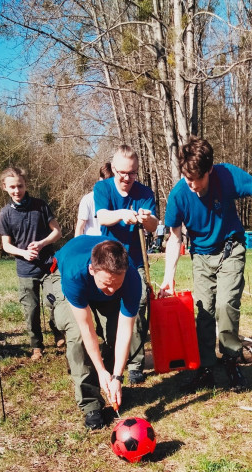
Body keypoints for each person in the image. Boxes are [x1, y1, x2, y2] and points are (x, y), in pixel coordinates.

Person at [160, 137, 252, 392]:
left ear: (210, 170)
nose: (192, 184)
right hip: (201, 256)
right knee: (205, 313)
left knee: (225, 305)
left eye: (197, 179)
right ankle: (206, 368)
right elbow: (175, 238)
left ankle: (232, 361)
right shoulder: (179, 195)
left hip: (230, 249)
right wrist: (168, 277)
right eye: (187, 178)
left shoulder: (226, 175)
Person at [54, 236, 142, 429]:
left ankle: (111, 387)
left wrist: (117, 376)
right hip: (71, 281)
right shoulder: (74, 274)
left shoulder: (132, 279)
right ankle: (91, 404)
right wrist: (100, 371)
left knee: (113, 333)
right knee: (77, 336)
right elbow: (86, 328)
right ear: (92, 270)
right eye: (106, 283)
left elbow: (125, 330)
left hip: (98, 283)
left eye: (117, 284)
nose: (111, 289)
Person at [94, 145, 158, 384]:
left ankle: (136, 364)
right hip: (108, 261)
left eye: (132, 173)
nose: (127, 178)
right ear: (113, 169)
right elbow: (102, 216)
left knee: (138, 305)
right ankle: (112, 353)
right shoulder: (102, 188)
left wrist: (146, 218)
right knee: (110, 310)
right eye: (122, 172)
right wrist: (122, 213)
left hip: (135, 261)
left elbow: (154, 226)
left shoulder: (145, 193)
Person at [0, 166, 63, 361]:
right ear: (4, 187)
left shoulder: (40, 206)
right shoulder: (5, 214)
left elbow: (57, 232)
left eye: (20, 186)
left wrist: (42, 243)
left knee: (54, 302)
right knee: (31, 310)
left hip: (49, 266)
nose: (17, 190)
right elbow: (6, 245)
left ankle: (58, 333)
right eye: (12, 187)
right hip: (26, 269)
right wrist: (24, 253)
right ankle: (36, 346)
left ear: (26, 185)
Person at [75, 163, 114, 237]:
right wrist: (77, 243)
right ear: (100, 179)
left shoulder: (116, 199)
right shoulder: (88, 199)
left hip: (110, 241)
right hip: (91, 242)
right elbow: (80, 227)